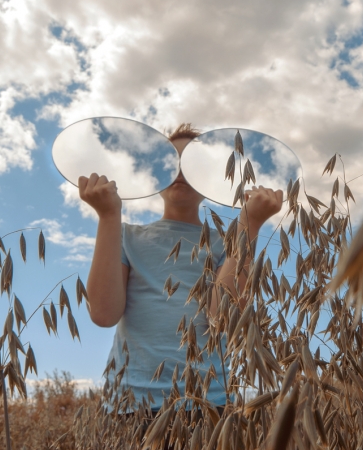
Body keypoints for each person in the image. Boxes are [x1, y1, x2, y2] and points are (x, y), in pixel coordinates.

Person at [78, 123, 283, 413]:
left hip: (209, 403)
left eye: (193, 162)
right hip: (130, 404)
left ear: (209, 176)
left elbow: (220, 320)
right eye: (172, 160)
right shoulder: (127, 236)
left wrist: (249, 226)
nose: (180, 171)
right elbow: (102, 313)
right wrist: (108, 215)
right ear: (155, 170)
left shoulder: (227, 243)